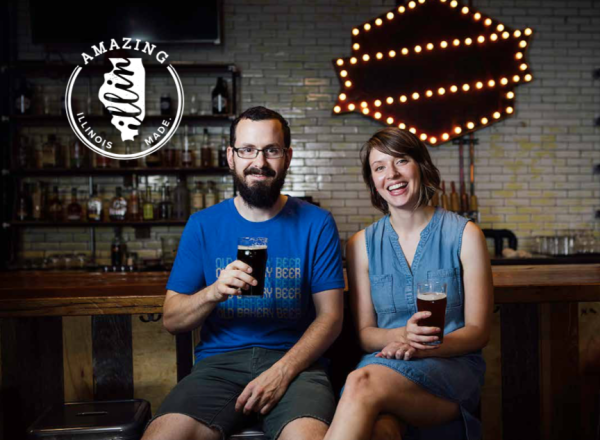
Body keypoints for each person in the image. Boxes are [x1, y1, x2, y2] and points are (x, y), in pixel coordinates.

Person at [143, 106, 345, 440]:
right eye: (247, 150)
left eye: (272, 150)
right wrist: (214, 292)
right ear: (231, 157)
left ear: (287, 156)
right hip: (218, 367)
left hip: (296, 367)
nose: (259, 162)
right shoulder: (203, 225)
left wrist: (282, 371)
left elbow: (331, 318)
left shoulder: (316, 223)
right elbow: (172, 320)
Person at [323, 128, 493, 440]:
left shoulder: (466, 234)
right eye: (379, 167)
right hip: (383, 364)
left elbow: (479, 332)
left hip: (449, 368)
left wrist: (422, 348)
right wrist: (403, 336)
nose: (392, 175)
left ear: (421, 166)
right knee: (380, 430)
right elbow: (365, 334)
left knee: (361, 383)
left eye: (401, 161)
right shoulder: (361, 244)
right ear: (373, 182)